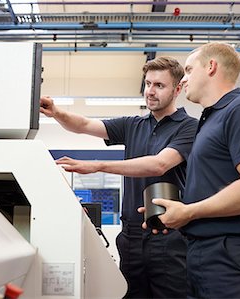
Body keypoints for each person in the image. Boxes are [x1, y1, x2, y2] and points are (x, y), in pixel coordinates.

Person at [40, 56, 198, 299]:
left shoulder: (188, 127)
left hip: (168, 236)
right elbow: (83, 125)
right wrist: (57, 112)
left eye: (159, 86)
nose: (150, 91)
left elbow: (159, 164)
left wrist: (98, 166)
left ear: (177, 89)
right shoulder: (132, 125)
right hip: (131, 236)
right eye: (147, 84)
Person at [145, 42, 240, 298]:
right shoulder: (209, 122)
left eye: (188, 70)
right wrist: (177, 211)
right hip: (203, 255)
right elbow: (217, 186)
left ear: (211, 67)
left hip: (235, 259)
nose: (183, 80)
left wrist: (189, 212)